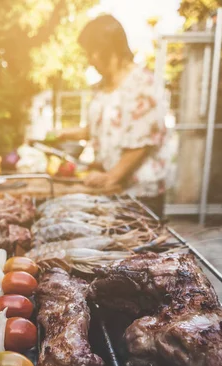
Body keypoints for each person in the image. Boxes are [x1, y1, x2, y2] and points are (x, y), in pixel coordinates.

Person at [53, 15, 166, 217]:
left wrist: (111, 177)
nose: (89, 60)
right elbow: (99, 129)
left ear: (108, 48)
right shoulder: (102, 88)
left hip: (138, 194)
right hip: (110, 189)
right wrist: (61, 134)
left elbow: (141, 142)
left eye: (91, 52)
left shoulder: (143, 84)